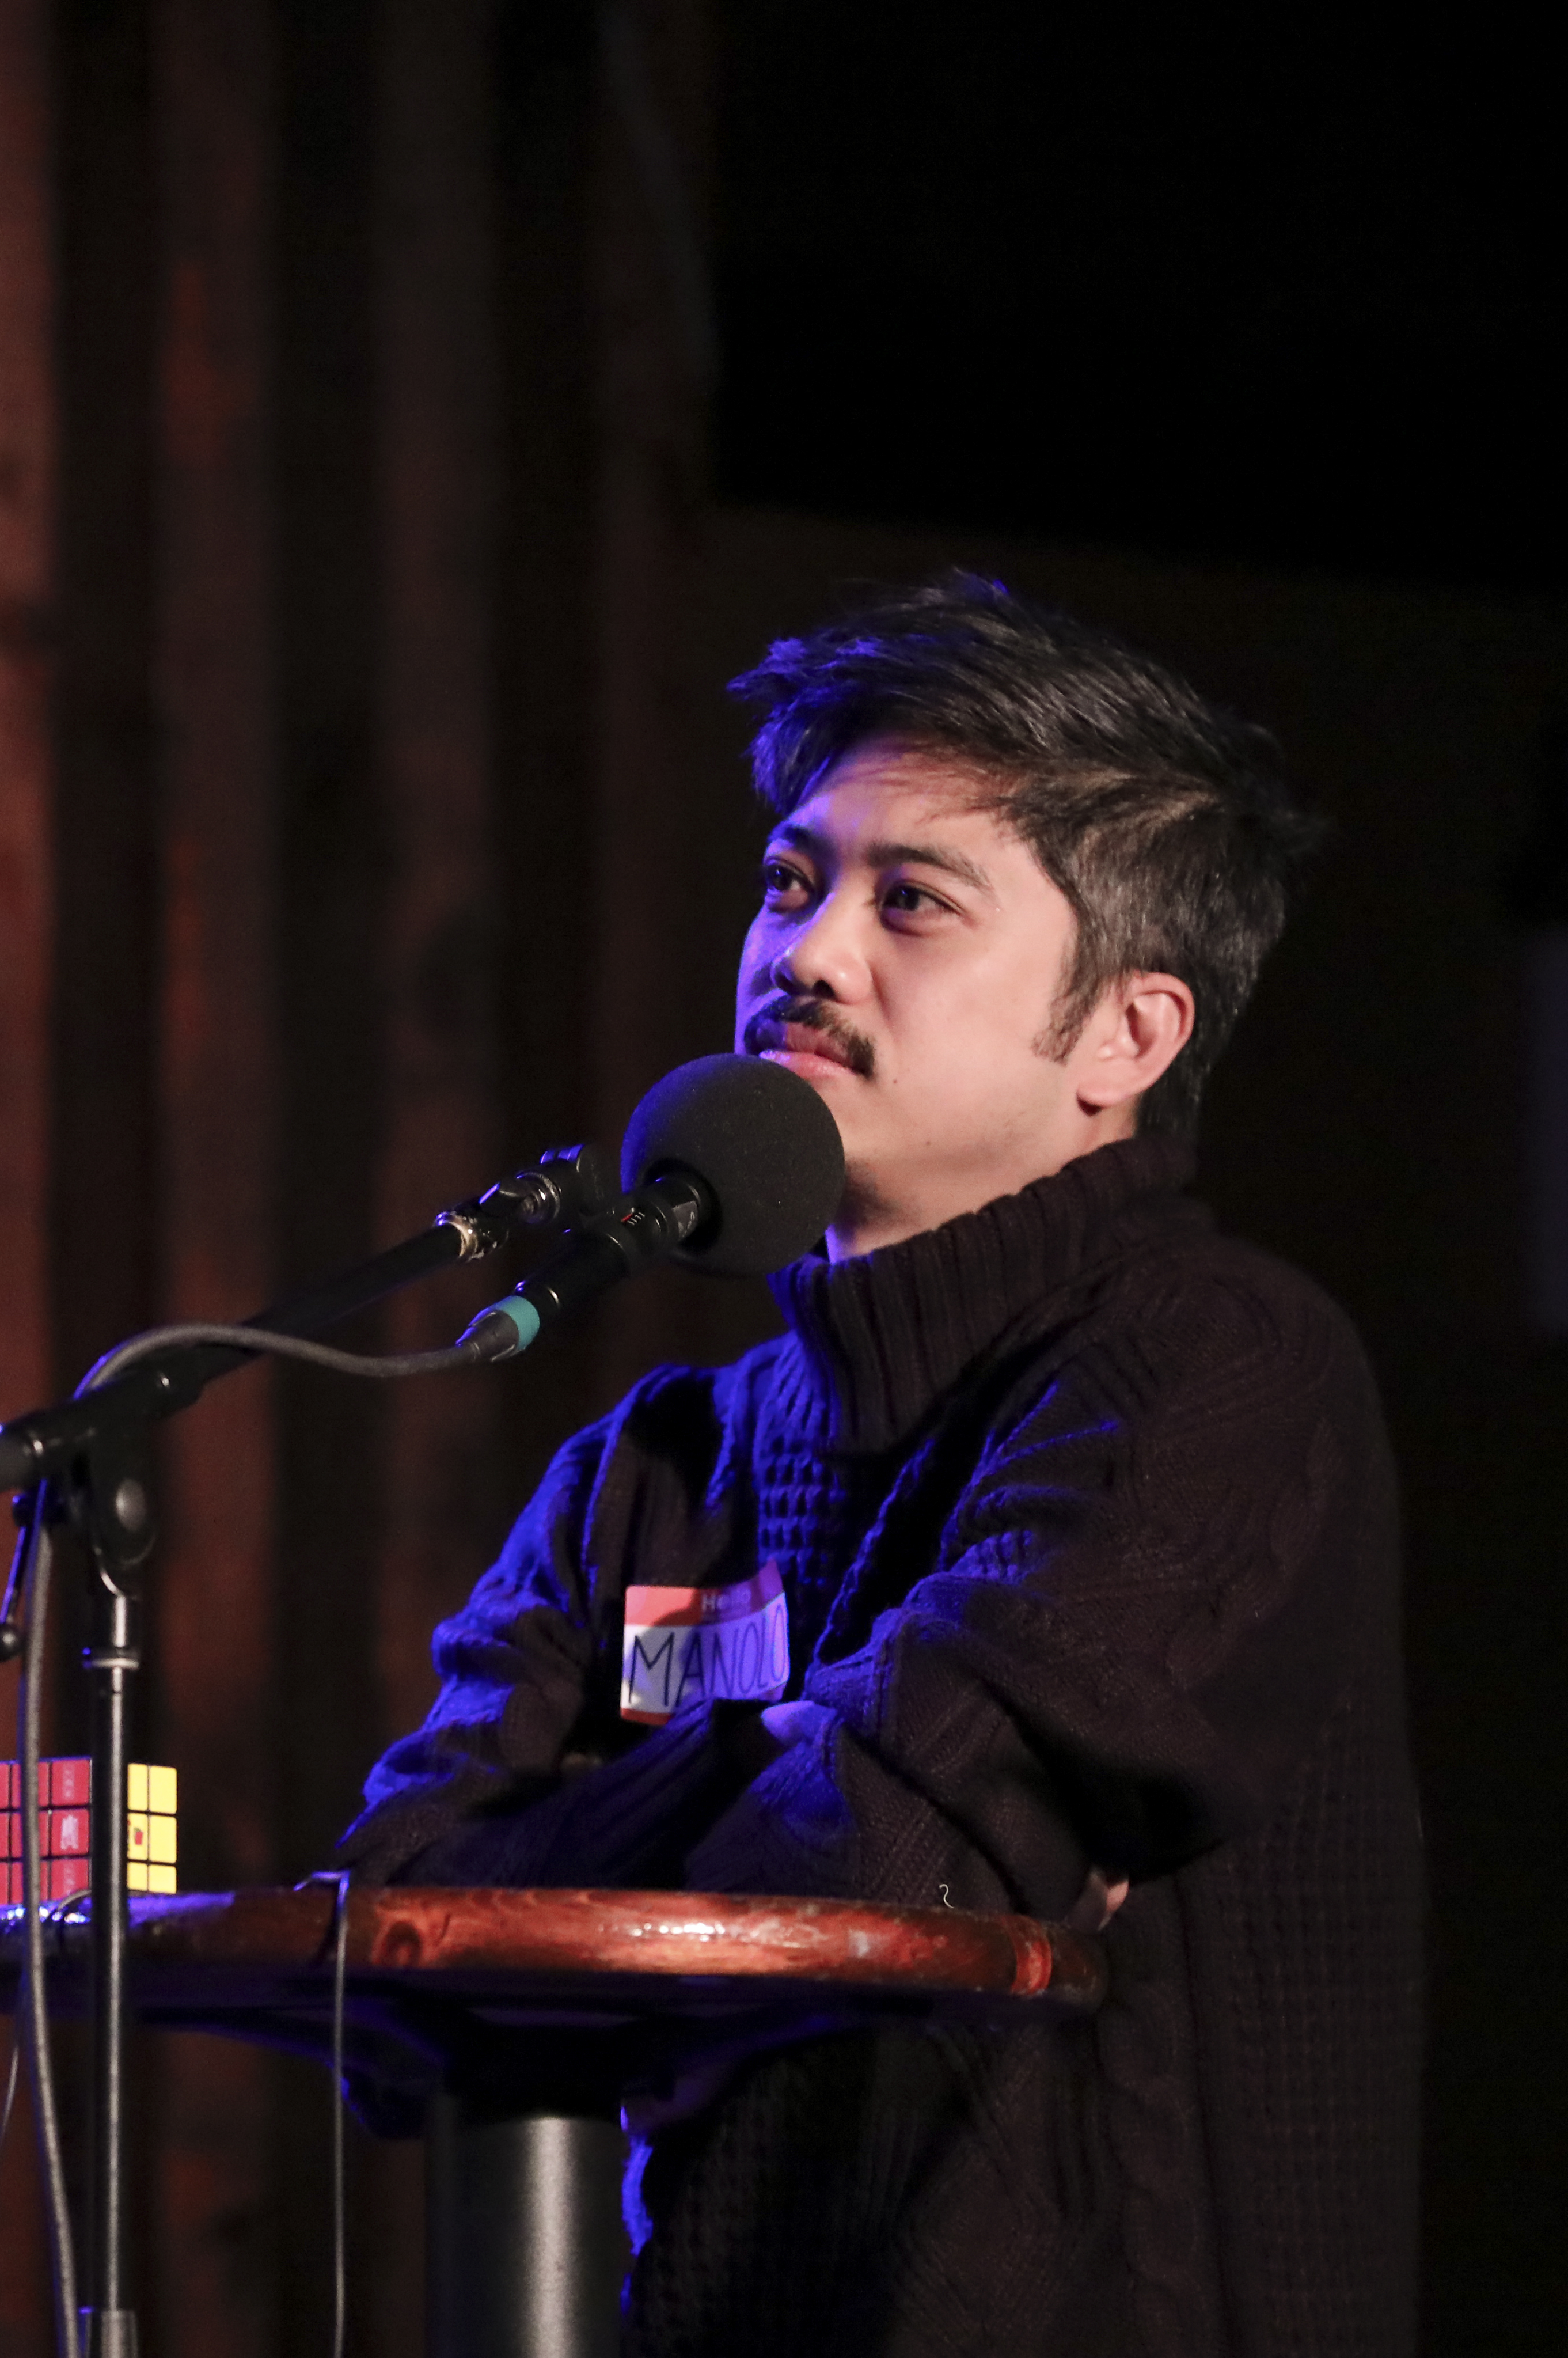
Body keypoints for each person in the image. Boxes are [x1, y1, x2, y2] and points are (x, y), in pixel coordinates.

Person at [341, 577, 1418, 2355]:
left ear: (1124, 1038)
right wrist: (806, 1766)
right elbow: (404, 1926)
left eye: (908, 901)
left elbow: (874, 1858)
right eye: (790, 880)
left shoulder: (1213, 1362)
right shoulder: (661, 1460)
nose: (806, 953)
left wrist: (624, 1874)